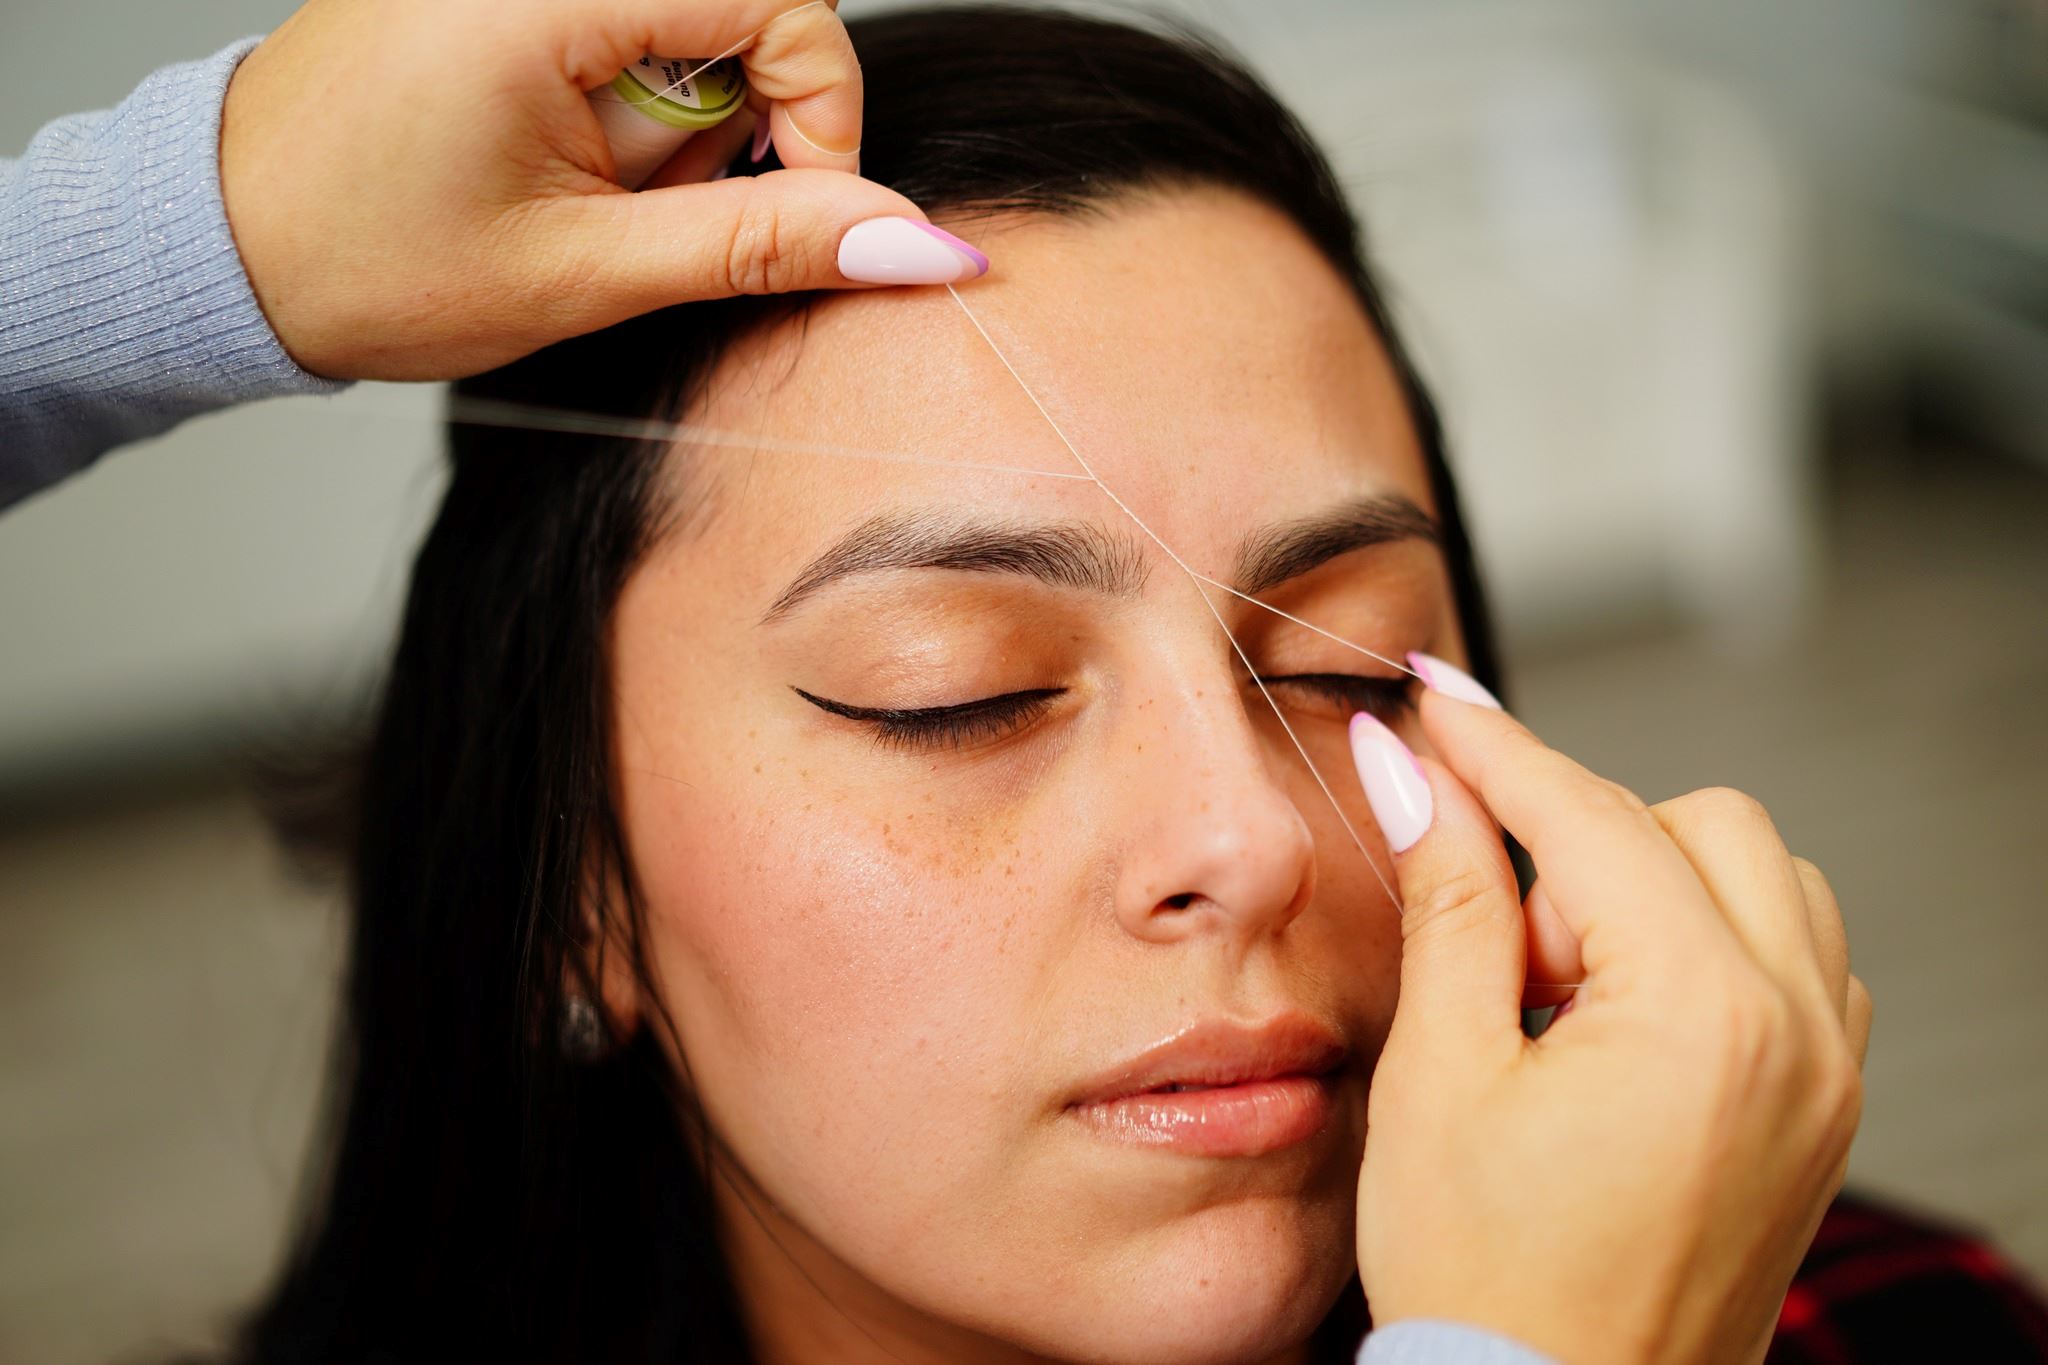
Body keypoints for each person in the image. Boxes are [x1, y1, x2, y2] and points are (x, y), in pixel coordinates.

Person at [0, 3, 1876, 1362]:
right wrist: (181, 234)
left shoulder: (1850, 1312)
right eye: (953, 691)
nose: (1243, 837)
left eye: (1343, 662)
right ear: (577, 874)